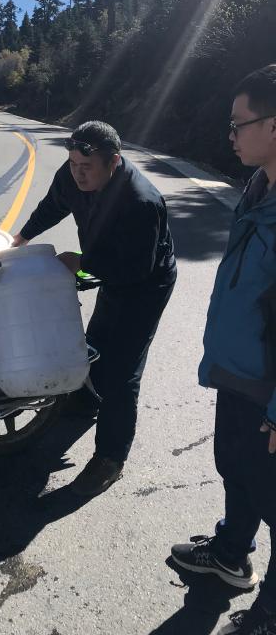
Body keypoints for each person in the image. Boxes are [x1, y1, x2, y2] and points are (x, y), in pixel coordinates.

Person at [13, 121, 176, 496]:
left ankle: (110, 458)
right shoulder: (73, 172)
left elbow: (136, 270)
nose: (78, 173)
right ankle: (86, 401)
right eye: (73, 164)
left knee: (123, 369)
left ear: (114, 162)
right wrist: (20, 237)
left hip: (146, 281)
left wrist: (82, 262)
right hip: (108, 264)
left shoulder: (141, 201)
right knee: (96, 340)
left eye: (86, 167)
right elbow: (53, 205)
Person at [171, 65, 276, 635]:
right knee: (236, 469)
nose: (230, 135)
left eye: (239, 124)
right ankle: (232, 553)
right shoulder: (259, 189)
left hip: (268, 390)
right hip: (240, 372)